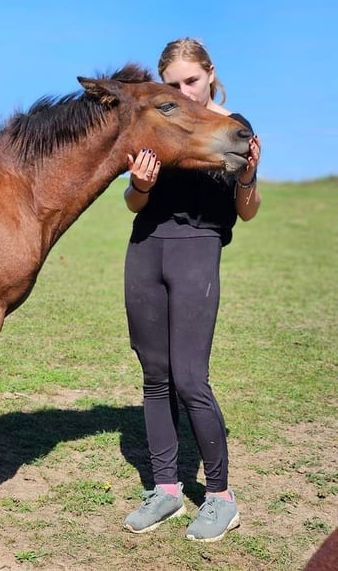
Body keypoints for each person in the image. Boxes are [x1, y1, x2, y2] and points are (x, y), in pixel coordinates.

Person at [122, 38, 261, 542]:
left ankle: (221, 499)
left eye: (191, 81)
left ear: (209, 74)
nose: (185, 91)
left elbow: (246, 210)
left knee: (189, 378)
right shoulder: (159, 125)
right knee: (154, 375)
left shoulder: (233, 129)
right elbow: (134, 204)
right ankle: (166, 490)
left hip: (197, 250)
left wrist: (248, 176)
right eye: (174, 84)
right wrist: (139, 184)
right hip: (145, 248)